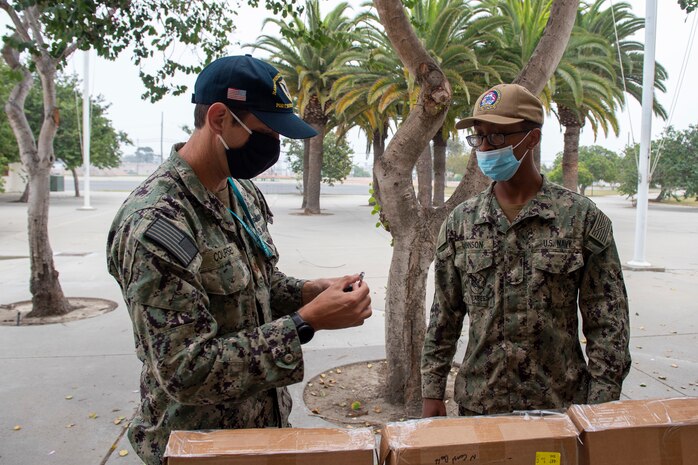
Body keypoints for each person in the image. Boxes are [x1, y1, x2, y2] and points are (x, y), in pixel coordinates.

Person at [106, 55, 372, 465]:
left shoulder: (241, 193)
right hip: (196, 446)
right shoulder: (156, 224)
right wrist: (306, 322)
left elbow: (257, 283)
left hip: (261, 434)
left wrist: (308, 292)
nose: (274, 147)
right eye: (265, 132)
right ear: (218, 118)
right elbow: (184, 370)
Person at [421, 83, 630, 418]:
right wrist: (432, 393)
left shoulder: (581, 219)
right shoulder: (461, 222)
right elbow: (444, 317)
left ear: (531, 138)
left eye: (498, 137)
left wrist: (600, 408)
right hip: (480, 405)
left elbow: (608, 324)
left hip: (559, 407)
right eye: (479, 137)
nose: (486, 147)